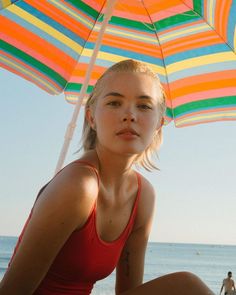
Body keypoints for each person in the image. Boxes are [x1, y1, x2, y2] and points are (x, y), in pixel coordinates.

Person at [0, 59, 214, 295]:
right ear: (91, 118)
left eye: (144, 106)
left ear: (158, 125)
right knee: (187, 287)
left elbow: (130, 290)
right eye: (114, 102)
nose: (129, 115)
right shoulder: (78, 186)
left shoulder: (143, 196)